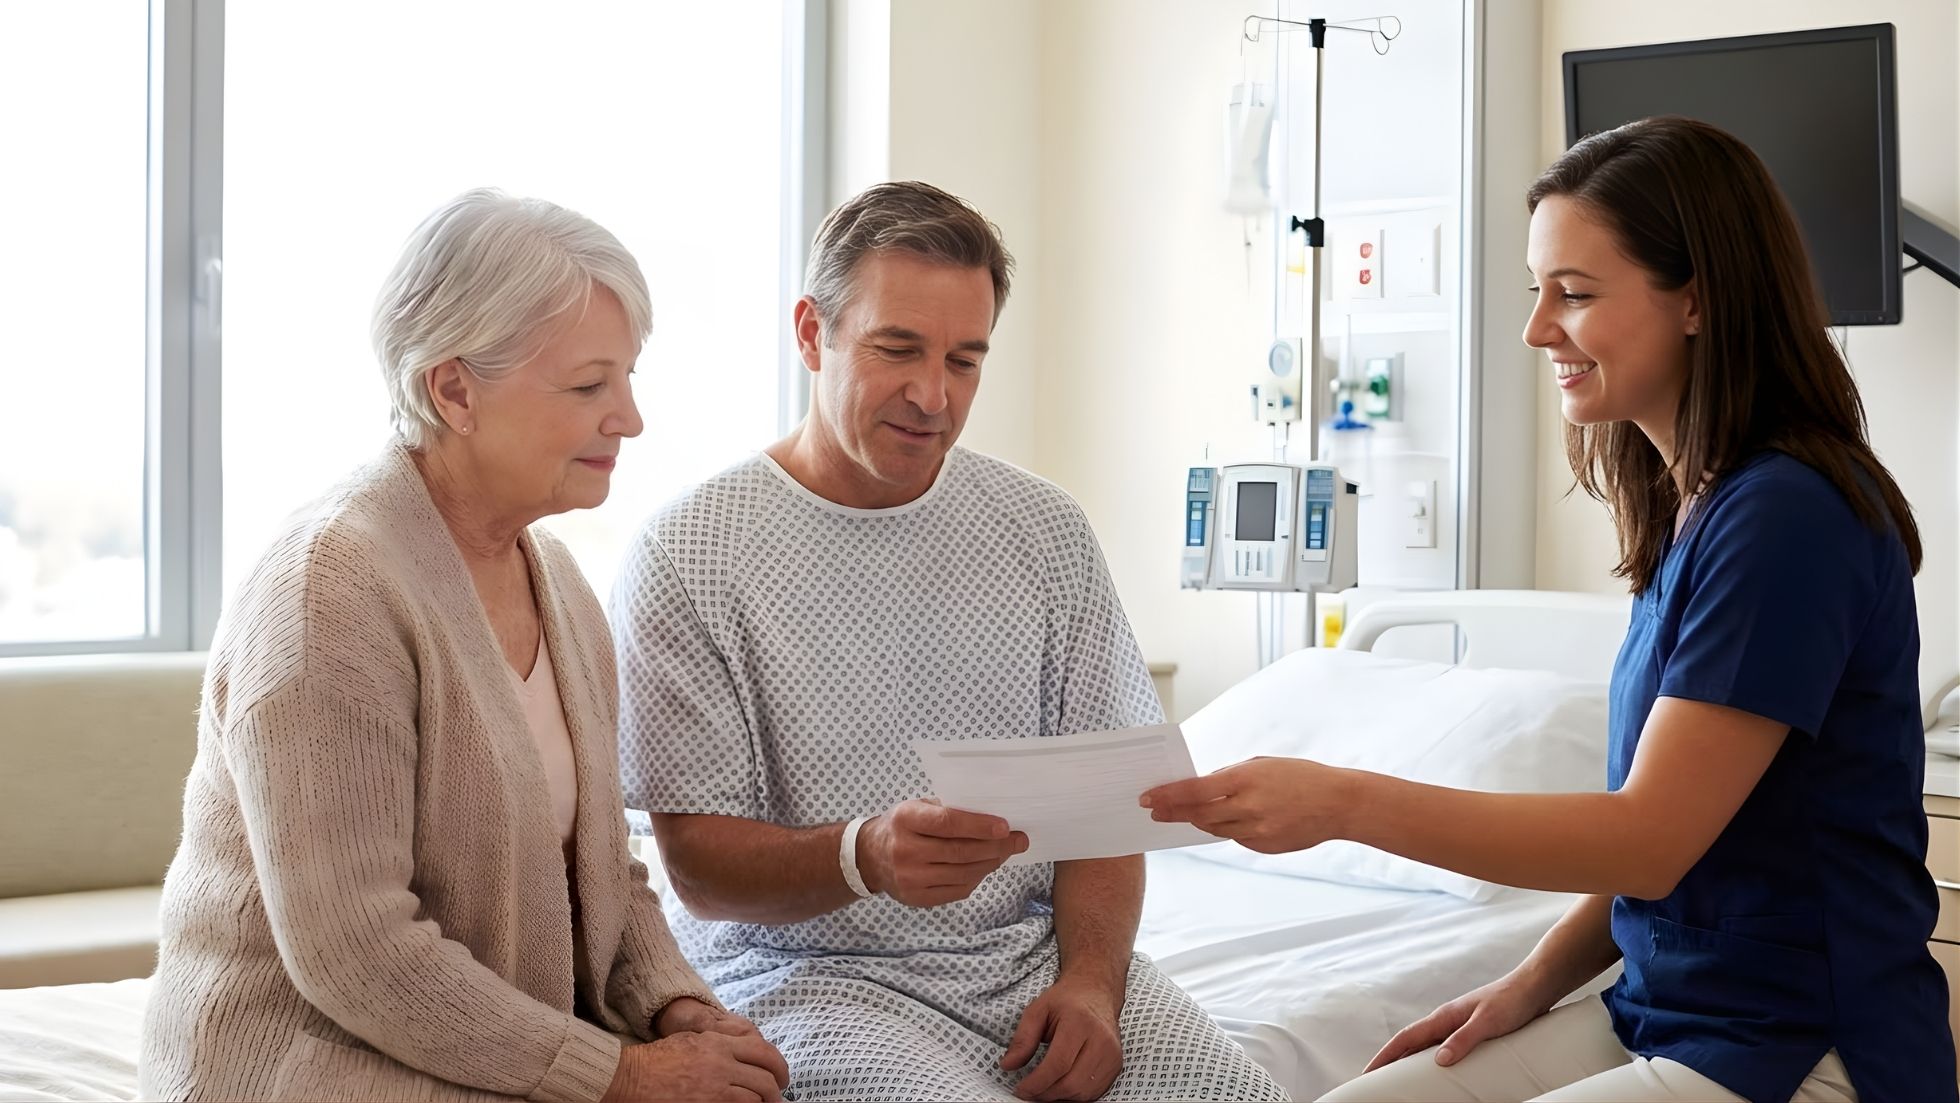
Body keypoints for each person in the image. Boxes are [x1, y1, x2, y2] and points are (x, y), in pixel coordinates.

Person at [1145, 116, 1954, 1103]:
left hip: (1804, 1044)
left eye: (1572, 294)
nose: (1536, 329)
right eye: (1538, 292)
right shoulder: (1691, 505)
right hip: (1663, 1011)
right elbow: (1662, 857)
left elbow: (1647, 837)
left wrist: (1343, 800)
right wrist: (1523, 984)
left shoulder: (1787, 516)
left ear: (1695, 298)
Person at [610, 181, 1287, 1103]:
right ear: (812, 333)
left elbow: (1108, 809)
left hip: (1032, 961)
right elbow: (701, 870)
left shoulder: (1043, 531)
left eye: (965, 360)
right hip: (811, 980)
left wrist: (1090, 981)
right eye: (899, 350)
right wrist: (864, 854)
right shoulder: (693, 552)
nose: (933, 396)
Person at [140, 189, 790, 1103]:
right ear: (453, 390)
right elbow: (354, 950)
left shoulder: (560, 584)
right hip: (309, 1065)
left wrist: (678, 1009)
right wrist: (623, 1074)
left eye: (629, 378)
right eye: (588, 385)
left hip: (492, 1052)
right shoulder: (326, 591)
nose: (630, 417)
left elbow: (606, 868)